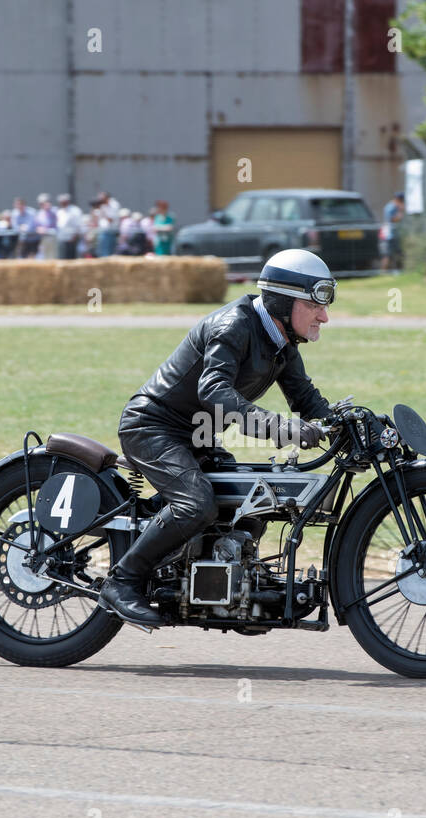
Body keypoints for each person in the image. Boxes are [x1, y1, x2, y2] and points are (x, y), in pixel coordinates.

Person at [97, 248, 337, 627]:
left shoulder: (281, 343)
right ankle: (122, 582)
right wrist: (281, 428)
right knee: (196, 505)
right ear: (282, 302)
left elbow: (307, 400)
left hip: (197, 437)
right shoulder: (234, 325)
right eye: (313, 305)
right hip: (153, 427)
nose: (323, 316)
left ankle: (237, 588)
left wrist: (351, 422)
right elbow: (214, 392)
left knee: (258, 496)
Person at [381, 191, 405, 272]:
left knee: (398, 253)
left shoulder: (395, 206)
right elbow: (391, 219)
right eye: (401, 199)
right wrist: (400, 213)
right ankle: (384, 272)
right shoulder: (391, 207)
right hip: (389, 235)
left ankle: (399, 271)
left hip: (395, 234)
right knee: (388, 255)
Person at [54, 193, 82, 259]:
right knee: (62, 257)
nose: (62, 203)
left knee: (71, 257)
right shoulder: (60, 211)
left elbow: (78, 225)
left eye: (64, 201)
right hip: (62, 238)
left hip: (71, 238)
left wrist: (75, 236)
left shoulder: (75, 210)